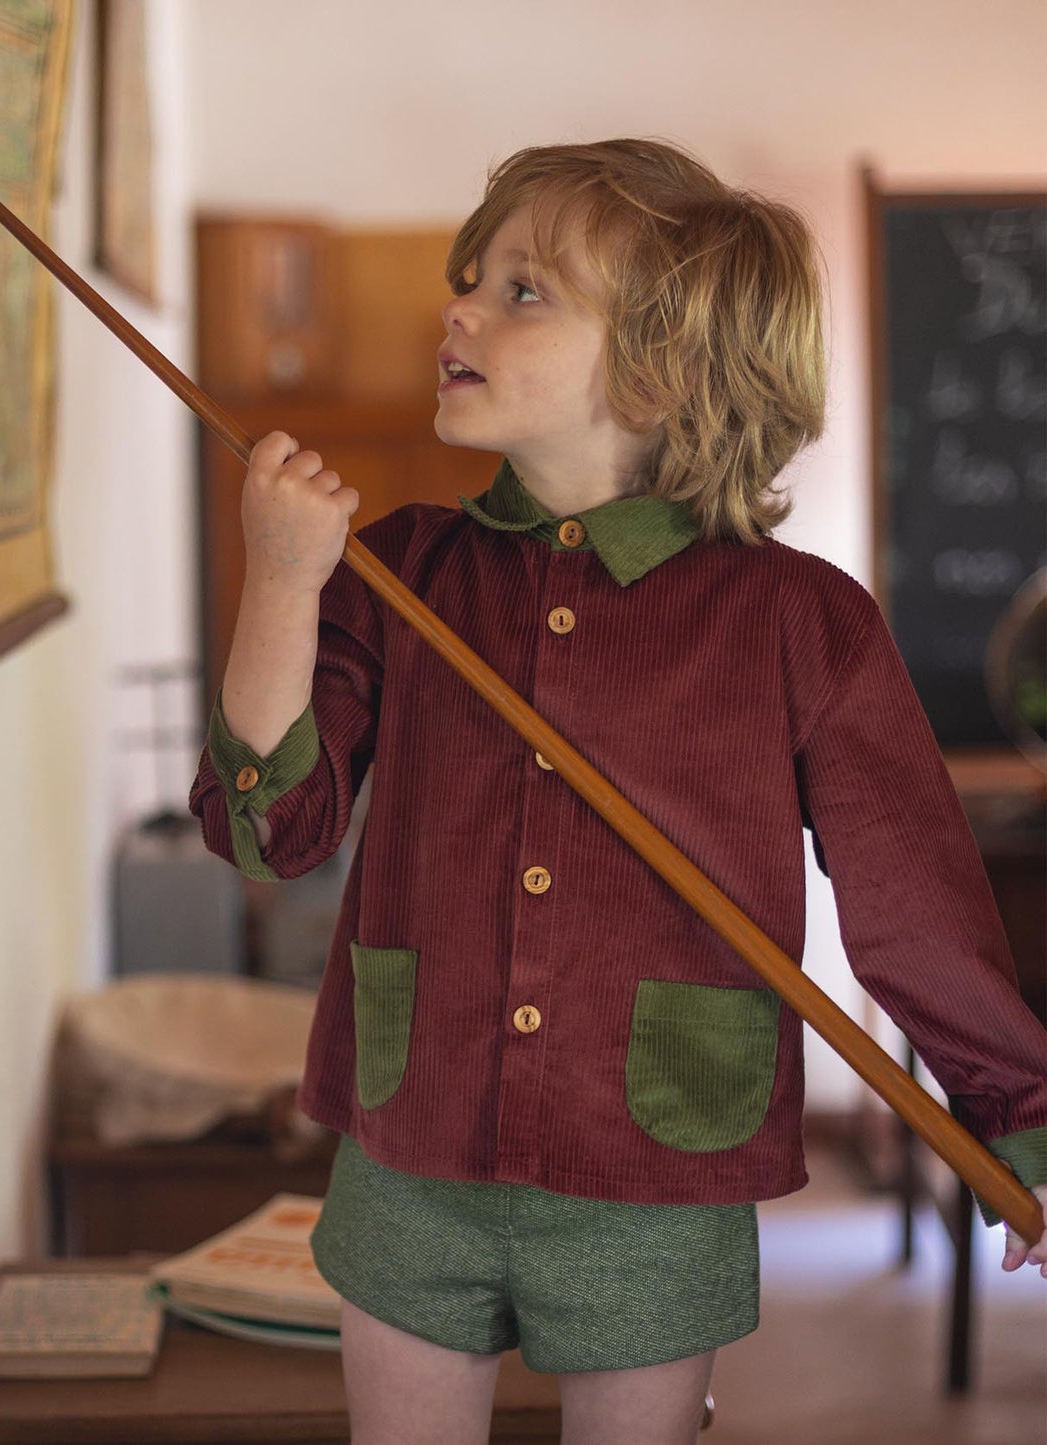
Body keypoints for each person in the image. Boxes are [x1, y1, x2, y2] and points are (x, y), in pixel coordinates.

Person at [189, 139, 1047, 1445]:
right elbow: (266, 830)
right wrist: (281, 584)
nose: (457, 309)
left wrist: (1019, 1119)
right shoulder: (395, 569)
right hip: (410, 1146)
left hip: (661, 1167)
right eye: (469, 278)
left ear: (660, 364)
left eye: (521, 291)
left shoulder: (798, 620)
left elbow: (913, 898)